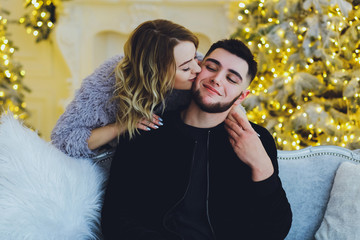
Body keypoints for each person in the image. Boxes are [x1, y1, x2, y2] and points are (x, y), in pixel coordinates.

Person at [101, 39, 292, 239]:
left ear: (241, 96)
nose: (217, 79)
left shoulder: (256, 140)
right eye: (211, 67)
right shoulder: (147, 129)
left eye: (232, 79)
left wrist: (262, 165)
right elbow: (115, 219)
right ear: (197, 69)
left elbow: (274, 231)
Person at [51, 19, 201, 158]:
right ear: (155, 74)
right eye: (186, 68)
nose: (198, 69)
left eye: (194, 56)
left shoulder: (197, 63)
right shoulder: (107, 83)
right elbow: (63, 139)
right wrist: (122, 126)